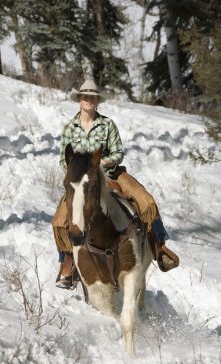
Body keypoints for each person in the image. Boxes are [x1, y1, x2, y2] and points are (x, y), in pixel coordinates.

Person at [52, 79, 179, 289]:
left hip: (111, 174)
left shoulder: (108, 124)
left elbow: (118, 152)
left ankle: (160, 247)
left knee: (146, 202)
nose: (89, 100)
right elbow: (63, 159)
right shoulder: (69, 128)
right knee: (59, 220)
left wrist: (103, 162)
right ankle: (68, 262)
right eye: (86, 97)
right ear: (79, 100)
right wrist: (77, 175)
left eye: (93, 97)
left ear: (97, 101)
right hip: (82, 182)